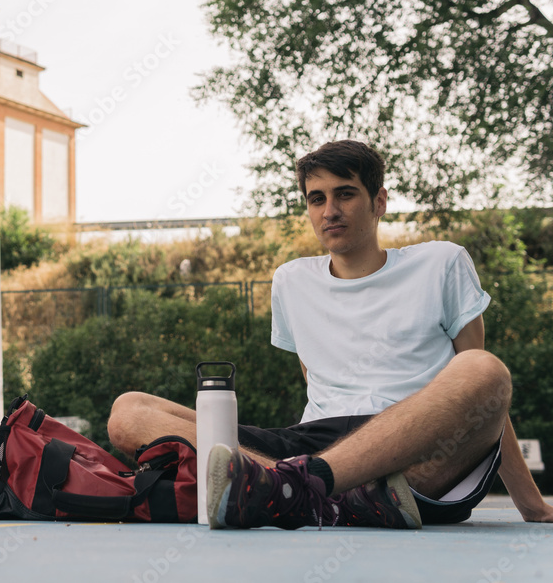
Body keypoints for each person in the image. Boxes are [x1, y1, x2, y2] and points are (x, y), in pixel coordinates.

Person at [107, 140, 553, 529]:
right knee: (130, 411)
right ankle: (305, 491)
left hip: (416, 448)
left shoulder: (442, 263)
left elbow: (487, 402)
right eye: (316, 198)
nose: (330, 211)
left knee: (483, 369)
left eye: (345, 194)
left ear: (379, 202)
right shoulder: (291, 281)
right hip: (315, 443)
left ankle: (292, 490)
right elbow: (317, 381)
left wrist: (531, 505)